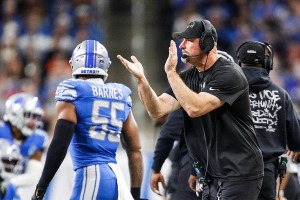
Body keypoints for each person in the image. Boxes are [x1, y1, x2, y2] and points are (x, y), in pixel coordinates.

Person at [118, 20, 264, 200]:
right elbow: (157, 110)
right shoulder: (189, 77)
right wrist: (142, 80)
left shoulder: (229, 74)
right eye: (182, 40)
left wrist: (171, 73)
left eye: (189, 40)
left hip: (240, 173)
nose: (182, 45)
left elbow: (195, 108)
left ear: (207, 43)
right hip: (211, 174)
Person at [32, 40, 144, 200]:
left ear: (75, 63)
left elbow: (60, 143)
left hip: (91, 175)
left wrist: (41, 187)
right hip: (116, 180)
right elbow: (135, 150)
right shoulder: (121, 94)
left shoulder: (73, 90)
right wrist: (136, 194)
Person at [150, 50, 234, 200]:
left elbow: (168, 133)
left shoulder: (189, 92)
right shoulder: (238, 97)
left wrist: (156, 168)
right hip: (231, 168)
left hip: (193, 167)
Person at [236, 41, 300, 200]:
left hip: (231, 173)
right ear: (267, 63)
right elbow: (296, 142)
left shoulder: (224, 93)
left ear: (238, 63)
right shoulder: (281, 95)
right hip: (266, 174)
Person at [0, 92, 48, 200]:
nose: (33, 122)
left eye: (36, 117)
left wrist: (10, 184)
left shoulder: (37, 139)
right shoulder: (2, 131)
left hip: (11, 189)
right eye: (29, 115)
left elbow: (32, 177)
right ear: (15, 112)